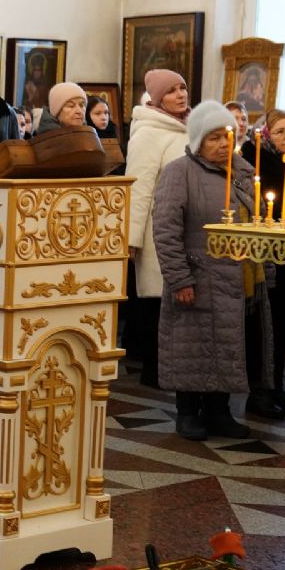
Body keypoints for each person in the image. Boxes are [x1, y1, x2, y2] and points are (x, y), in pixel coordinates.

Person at [152, 101, 261, 441]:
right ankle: (187, 412)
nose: (224, 144)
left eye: (227, 136)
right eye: (214, 138)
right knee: (190, 346)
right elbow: (166, 231)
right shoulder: (179, 172)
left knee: (227, 344)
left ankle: (218, 411)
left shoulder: (242, 172)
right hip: (197, 277)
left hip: (235, 277)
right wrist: (180, 279)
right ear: (198, 140)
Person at [239, 109, 285, 419]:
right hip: (264, 251)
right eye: (280, 131)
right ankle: (259, 390)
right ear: (266, 134)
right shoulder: (253, 158)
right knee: (263, 326)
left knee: (281, 327)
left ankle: (277, 386)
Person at [124, 68, 192, 388]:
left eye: (183, 88)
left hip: (188, 229)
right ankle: (155, 370)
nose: (181, 95)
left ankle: (176, 368)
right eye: (172, 90)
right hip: (158, 230)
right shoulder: (148, 132)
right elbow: (139, 188)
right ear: (157, 98)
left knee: (181, 302)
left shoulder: (189, 127)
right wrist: (132, 237)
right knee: (157, 302)